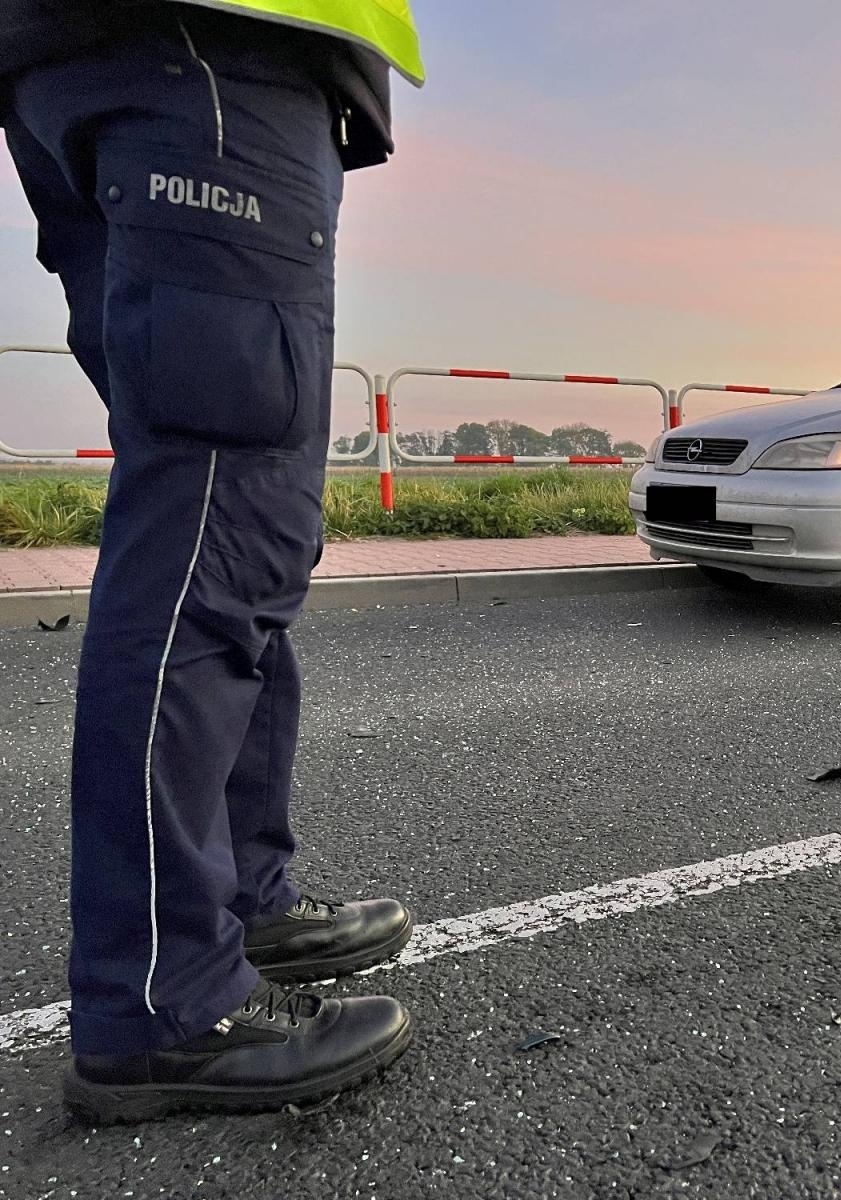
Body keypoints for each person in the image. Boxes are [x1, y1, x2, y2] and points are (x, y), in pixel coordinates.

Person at [0, 0, 425, 1122]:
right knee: (217, 517)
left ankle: (234, 900)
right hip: (205, 50)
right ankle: (161, 1003)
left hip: (143, 61)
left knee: (231, 516)